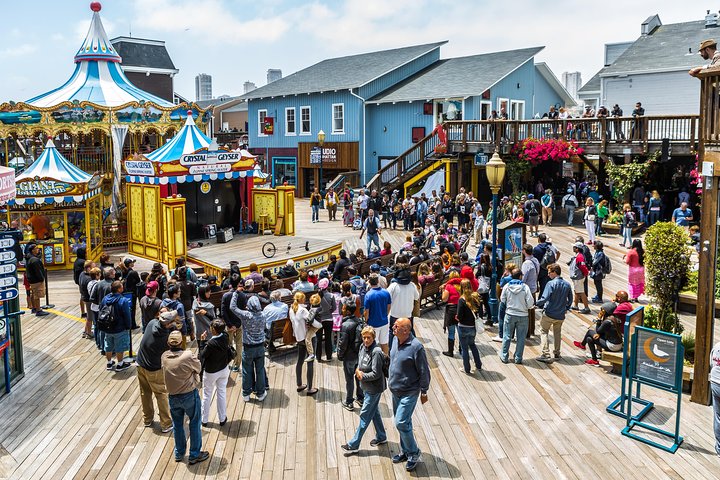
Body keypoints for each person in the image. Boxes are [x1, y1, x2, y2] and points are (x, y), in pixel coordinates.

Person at [388, 318, 431, 472]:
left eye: (396, 326)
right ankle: (405, 451)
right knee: (405, 422)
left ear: (406, 330)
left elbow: (424, 370)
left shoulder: (416, 347)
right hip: (395, 390)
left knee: (400, 422)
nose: (393, 327)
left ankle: (413, 452)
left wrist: (424, 390)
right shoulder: (395, 339)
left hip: (410, 391)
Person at [162, 330, 209, 465]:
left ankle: (179, 452)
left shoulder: (164, 356)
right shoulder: (187, 356)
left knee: (177, 425)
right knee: (194, 423)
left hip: (173, 397)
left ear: (168, 343)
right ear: (181, 342)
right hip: (189, 395)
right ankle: (194, 454)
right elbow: (198, 368)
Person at [340, 326, 387, 455]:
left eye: (369, 338)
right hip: (366, 387)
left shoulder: (376, 352)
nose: (366, 340)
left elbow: (376, 374)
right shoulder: (362, 347)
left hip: (374, 389)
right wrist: (357, 369)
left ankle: (353, 445)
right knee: (374, 412)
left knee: (364, 416)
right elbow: (360, 362)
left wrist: (362, 376)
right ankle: (381, 436)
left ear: (374, 338)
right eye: (364, 337)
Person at [136, 309, 176, 433]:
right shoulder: (165, 339)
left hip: (140, 363)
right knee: (161, 394)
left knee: (145, 393)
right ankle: (166, 423)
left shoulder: (152, 323)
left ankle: (147, 419)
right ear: (168, 324)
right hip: (154, 369)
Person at [229, 294, 268, 402]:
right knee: (260, 370)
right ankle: (261, 393)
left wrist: (235, 293)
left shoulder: (246, 315)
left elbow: (232, 307)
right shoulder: (263, 315)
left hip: (248, 347)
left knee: (246, 371)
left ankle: (246, 394)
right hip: (260, 347)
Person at [536, 263, 573, 363]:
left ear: (555, 272)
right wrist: (566, 308)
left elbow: (545, 298)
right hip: (560, 314)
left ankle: (545, 354)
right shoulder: (567, 284)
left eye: (549, 273)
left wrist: (536, 304)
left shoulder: (550, 283)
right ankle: (557, 353)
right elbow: (570, 299)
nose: (548, 275)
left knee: (544, 331)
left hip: (549, 313)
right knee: (557, 333)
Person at [199, 319, 232, 427]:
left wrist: (202, 342)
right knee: (221, 393)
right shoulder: (225, 336)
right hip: (223, 369)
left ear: (213, 329)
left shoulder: (210, 344)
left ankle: (204, 419)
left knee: (207, 395)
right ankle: (222, 418)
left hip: (211, 372)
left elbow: (202, 355)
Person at [500, 269, 534, 364]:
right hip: (523, 315)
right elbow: (530, 302)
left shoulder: (507, 286)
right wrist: (525, 307)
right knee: (521, 338)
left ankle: (504, 356)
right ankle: (518, 358)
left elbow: (502, 299)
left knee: (507, 336)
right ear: (520, 276)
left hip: (510, 314)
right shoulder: (525, 287)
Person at [98, 280, 133, 371]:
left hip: (107, 327)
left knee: (108, 346)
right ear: (119, 289)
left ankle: (109, 363)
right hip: (119, 328)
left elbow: (101, 309)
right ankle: (120, 364)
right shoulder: (123, 300)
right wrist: (128, 326)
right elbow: (127, 315)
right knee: (120, 347)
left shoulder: (105, 298)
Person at [337, 298, 365, 411]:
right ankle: (360, 398)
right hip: (359, 354)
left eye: (343, 308)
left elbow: (343, 343)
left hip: (349, 356)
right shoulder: (360, 321)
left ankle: (349, 402)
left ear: (348, 311)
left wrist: (340, 354)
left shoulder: (345, 325)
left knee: (349, 379)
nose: (342, 309)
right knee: (359, 377)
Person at [289, 291, 317, 395]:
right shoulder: (303, 310)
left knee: (300, 360)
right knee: (310, 361)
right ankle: (310, 388)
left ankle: (299, 384)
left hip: (299, 338)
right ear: (302, 299)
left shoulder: (291, 309)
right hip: (308, 338)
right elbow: (314, 322)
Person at [456, 279, 483, 373]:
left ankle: (466, 368)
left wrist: (457, 317)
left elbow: (460, 316)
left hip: (463, 327)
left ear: (461, 288)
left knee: (464, 349)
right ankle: (478, 365)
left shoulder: (461, 300)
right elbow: (480, 312)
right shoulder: (475, 297)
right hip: (472, 327)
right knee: (472, 345)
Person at [364, 274, 392, 354]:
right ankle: (386, 359)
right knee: (384, 344)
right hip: (384, 322)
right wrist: (385, 315)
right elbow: (389, 306)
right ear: (378, 281)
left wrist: (366, 321)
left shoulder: (368, 295)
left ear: (369, 282)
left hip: (373, 324)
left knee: (372, 345)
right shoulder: (386, 292)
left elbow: (366, 311)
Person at [441, 271, 463, 356]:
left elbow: (444, 299)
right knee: (460, 330)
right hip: (460, 309)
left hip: (451, 310)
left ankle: (450, 351)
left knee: (451, 332)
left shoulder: (449, 286)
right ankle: (462, 349)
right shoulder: (462, 286)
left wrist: (443, 290)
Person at [315, 278, 337, 362]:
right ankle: (329, 356)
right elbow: (334, 308)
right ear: (327, 286)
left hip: (319, 320)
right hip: (329, 319)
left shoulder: (316, 296)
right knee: (328, 338)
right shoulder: (331, 296)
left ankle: (318, 357)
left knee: (318, 339)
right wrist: (329, 312)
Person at [25, 244, 49, 316]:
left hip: (31, 279)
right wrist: (41, 278)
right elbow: (38, 271)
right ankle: (38, 310)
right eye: (36, 248)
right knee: (37, 295)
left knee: (33, 293)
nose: (38, 249)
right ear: (33, 250)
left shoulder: (29, 258)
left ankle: (34, 308)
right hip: (36, 280)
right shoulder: (34, 260)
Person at [569, 242, 591, 314]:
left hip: (578, 277)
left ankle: (586, 308)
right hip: (578, 276)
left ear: (577, 249)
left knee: (581, 292)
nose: (573, 248)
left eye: (574, 247)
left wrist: (585, 274)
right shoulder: (579, 255)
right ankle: (575, 305)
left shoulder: (579, 257)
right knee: (577, 291)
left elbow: (582, 267)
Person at [709, 337, 720, 456]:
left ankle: (719, 448)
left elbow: (711, 364)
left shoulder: (717, 346)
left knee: (718, 417)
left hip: (715, 383)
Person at [122, 258, 141, 329]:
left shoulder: (124, 271)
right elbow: (138, 281)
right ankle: (133, 324)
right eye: (132, 262)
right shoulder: (133, 272)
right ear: (130, 264)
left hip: (125, 292)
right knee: (132, 309)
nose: (133, 263)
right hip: (132, 293)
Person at [73, 247, 87, 319]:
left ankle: (83, 312)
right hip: (83, 281)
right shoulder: (83, 262)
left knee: (82, 295)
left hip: (79, 281)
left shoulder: (77, 260)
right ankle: (86, 312)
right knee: (84, 296)